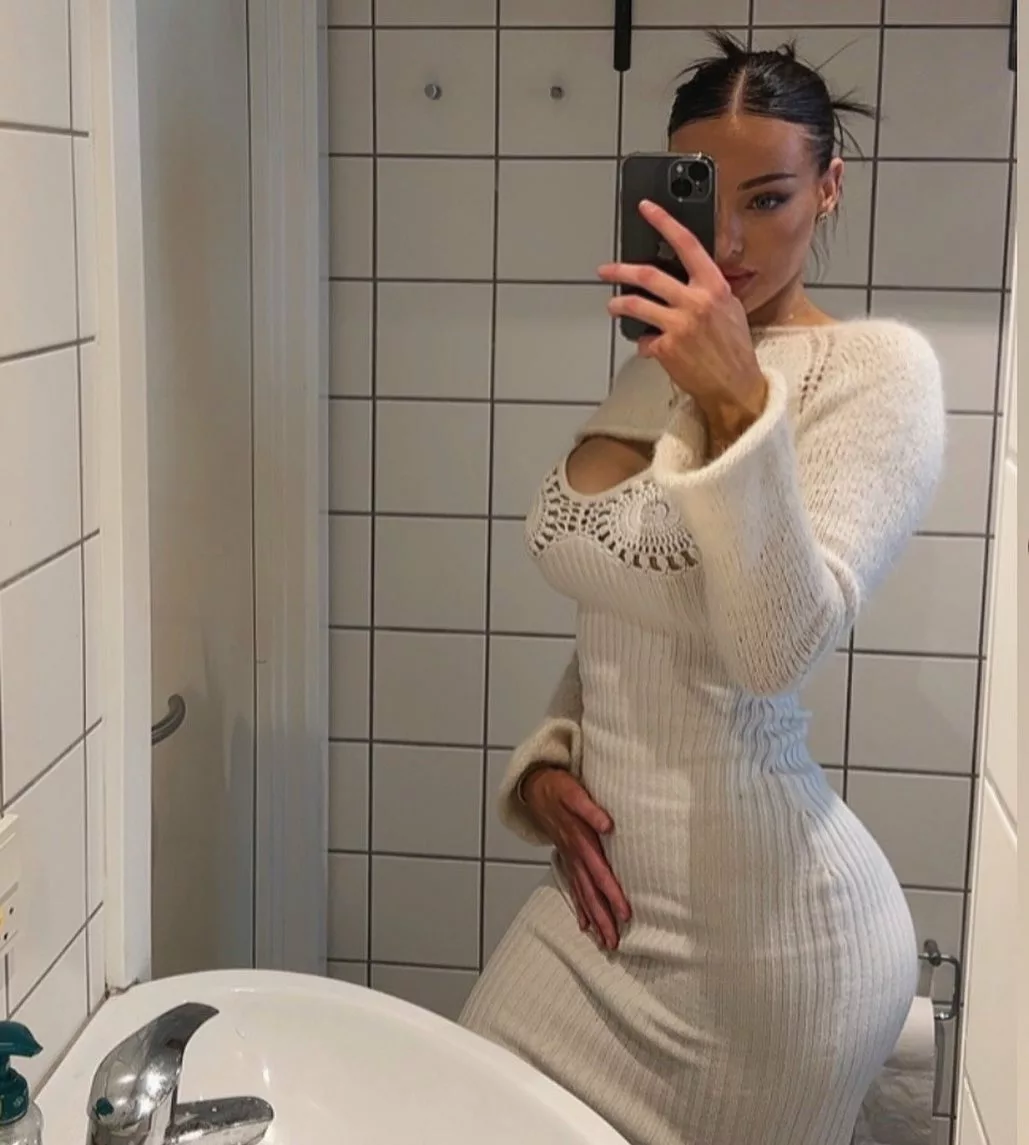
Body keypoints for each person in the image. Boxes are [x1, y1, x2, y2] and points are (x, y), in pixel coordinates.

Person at [459, 31, 946, 1145]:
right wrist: (550, 760)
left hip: (770, 949)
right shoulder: (652, 366)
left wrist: (738, 402)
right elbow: (630, 612)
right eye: (701, 200)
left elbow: (777, 649)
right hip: (601, 918)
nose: (727, 243)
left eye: (768, 199)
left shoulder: (879, 373)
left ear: (828, 187)